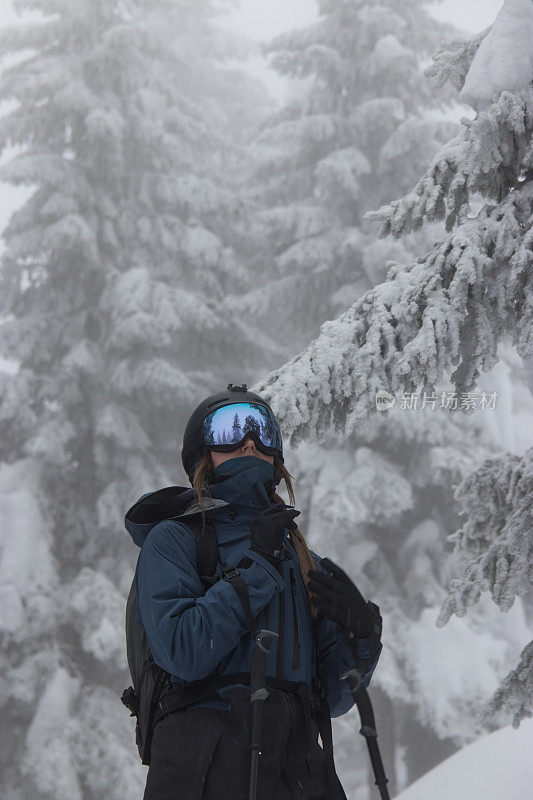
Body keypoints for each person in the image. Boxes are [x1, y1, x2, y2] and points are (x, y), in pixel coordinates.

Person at [126, 384, 382, 800]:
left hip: (296, 773)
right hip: (203, 771)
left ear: (276, 453)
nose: (249, 441)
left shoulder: (300, 559)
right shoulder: (175, 540)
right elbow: (183, 651)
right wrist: (258, 566)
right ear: (202, 453)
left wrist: (361, 638)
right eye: (230, 429)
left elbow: (330, 699)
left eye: (263, 431)